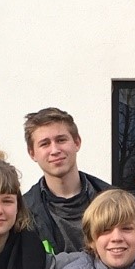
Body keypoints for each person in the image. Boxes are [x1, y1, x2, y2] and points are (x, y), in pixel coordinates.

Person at [21, 106, 113, 255]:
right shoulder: (23, 213)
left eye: (61, 140)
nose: (55, 150)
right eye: (45, 144)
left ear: (77, 142)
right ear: (32, 153)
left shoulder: (114, 201)